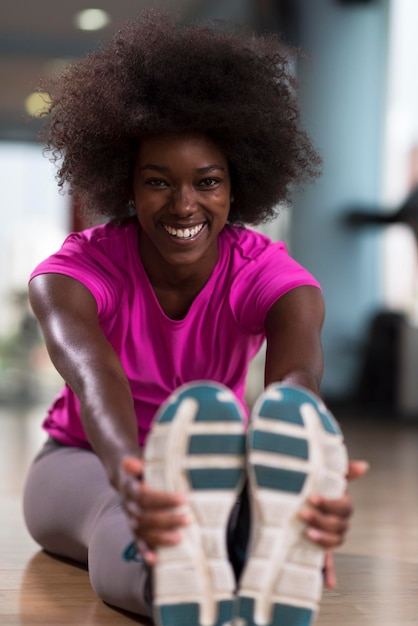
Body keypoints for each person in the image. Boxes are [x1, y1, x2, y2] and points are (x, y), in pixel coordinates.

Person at [23, 11, 367, 626]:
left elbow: (296, 387)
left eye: (206, 182)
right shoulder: (72, 275)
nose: (183, 204)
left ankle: (254, 542)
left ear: (237, 186)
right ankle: (173, 583)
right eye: (158, 182)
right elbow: (96, 381)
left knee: (241, 498)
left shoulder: (274, 279)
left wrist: (315, 467)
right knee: (123, 516)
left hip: (219, 462)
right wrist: (134, 476)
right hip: (85, 458)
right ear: (127, 184)